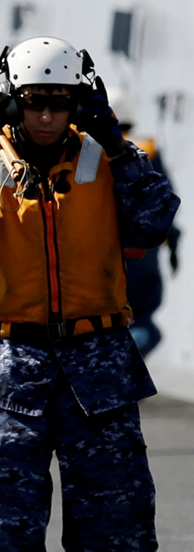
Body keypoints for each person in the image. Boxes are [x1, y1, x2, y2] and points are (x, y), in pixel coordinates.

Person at [0, 36, 178, 552]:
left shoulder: (105, 157)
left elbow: (153, 222)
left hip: (99, 371)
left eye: (60, 102)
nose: (46, 115)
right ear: (11, 101)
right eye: (33, 101)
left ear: (78, 102)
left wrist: (115, 141)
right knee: (3, 548)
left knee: (117, 546)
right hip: (5, 375)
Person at [107, 88, 182, 357]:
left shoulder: (85, 151)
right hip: (142, 258)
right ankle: (120, 369)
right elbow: (163, 203)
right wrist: (174, 243)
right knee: (143, 324)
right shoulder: (145, 150)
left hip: (101, 256)